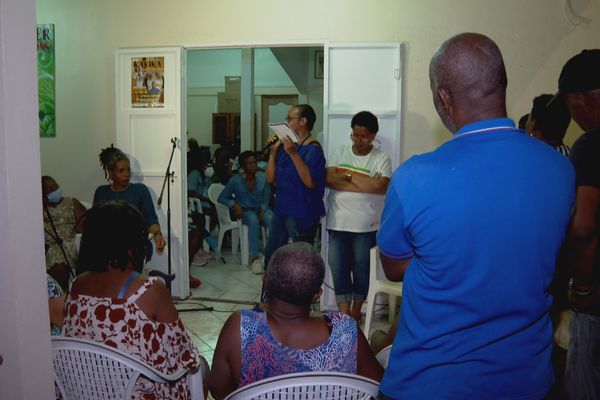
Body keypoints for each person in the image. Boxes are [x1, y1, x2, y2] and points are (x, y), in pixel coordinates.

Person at [376, 33, 575, 399]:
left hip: (430, 382)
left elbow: (392, 267)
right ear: (502, 85)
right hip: (526, 381)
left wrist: (445, 259)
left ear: (444, 97)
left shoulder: (414, 177)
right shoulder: (560, 170)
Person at [62, 200, 204, 399]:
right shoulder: (149, 289)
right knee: (201, 365)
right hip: (133, 393)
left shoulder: (76, 285)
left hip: (87, 389)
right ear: (133, 245)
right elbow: (182, 351)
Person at [208, 242, 383, 399]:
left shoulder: (240, 327)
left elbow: (219, 391)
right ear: (317, 295)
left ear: (265, 280)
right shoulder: (346, 331)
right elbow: (377, 386)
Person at [93, 145, 205, 288]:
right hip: (108, 243)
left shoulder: (140, 190)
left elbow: (150, 218)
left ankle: (127, 292)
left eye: (128, 170)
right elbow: (95, 223)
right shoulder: (101, 192)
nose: (126, 174)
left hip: (134, 243)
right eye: (121, 171)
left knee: (123, 256)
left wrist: (157, 234)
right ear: (110, 172)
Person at [555, 49, 600, 399]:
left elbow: (584, 228)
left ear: (584, 100)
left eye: (570, 108)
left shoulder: (590, 146)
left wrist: (582, 290)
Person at [325, 111, 391, 320]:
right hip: (338, 222)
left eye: (363, 136)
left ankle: (355, 312)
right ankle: (344, 315)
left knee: (363, 270)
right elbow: (329, 180)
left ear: (373, 135)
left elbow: (381, 188)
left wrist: (346, 175)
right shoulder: (340, 151)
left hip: (366, 225)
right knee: (338, 267)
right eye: (354, 134)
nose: (358, 140)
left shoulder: (382, 157)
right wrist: (365, 183)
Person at [263, 104, 326, 267]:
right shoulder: (287, 146)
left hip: (301, 213)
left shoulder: (314, 150)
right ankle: (272, 290)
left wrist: (293, 153)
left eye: (290, 118)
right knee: (271, 257)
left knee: (299, 261)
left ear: (303, 121)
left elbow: (310, 182)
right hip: (281, 209)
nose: (286, 122)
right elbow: (270, 178)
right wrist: (272, 153)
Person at [218, 151, 273, 274]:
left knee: (272, 219)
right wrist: (235, 204)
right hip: (246, 211)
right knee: (253, 220)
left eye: (254, 163)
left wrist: (263, 211)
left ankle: (272, 254)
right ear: (243, 166)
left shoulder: (263, 177)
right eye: (249, 163)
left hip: (262, 208)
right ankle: (255, 258)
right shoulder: (235, 180)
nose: (253, 166)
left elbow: (266, 197)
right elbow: (221, 197)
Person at [42, 175, 86, 290]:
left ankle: (65, 294)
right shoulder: (39, 208)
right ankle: (60, 293)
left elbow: (85, 222)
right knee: (55, 261)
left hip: (70, 241)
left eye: (55, 186)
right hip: (50, 244)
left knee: (61, 264)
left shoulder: (71, 202)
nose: (55, 190)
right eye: (50, 190)